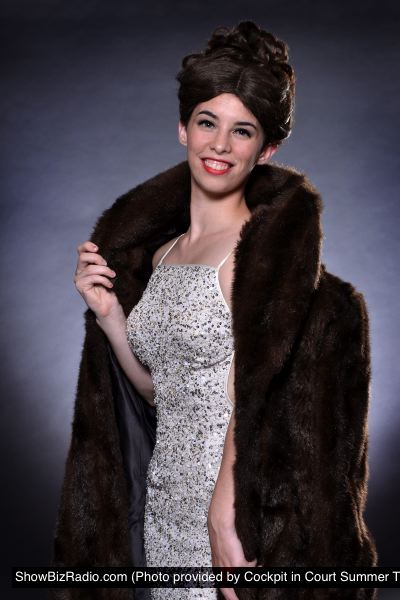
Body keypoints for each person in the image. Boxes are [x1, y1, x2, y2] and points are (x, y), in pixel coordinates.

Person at [51, 21, 378, 600]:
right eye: (207, 122)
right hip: (165, 506)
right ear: (183, 128)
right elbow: (165, 393)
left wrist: (226, 517)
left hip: (236, 509)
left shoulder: (257, 257)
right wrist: (109, 317)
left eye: (242, 131)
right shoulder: (160, 254)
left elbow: (252, 393)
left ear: (266, 149)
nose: (220, 145)